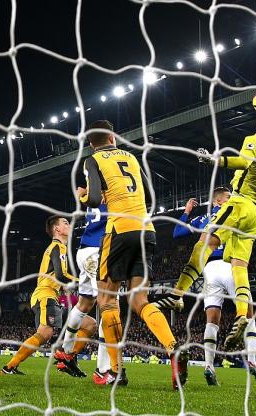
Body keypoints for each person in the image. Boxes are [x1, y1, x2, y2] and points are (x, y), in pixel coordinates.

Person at [156, 77, 256, 351]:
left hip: (239, 203)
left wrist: (215, 159)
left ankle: (178, 294)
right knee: (240, 266)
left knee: (205, 241)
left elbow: (244, 161)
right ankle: (241, 315)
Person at [78, 119, 188, 390]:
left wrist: (84, 195)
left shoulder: (92, 159)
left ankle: (116, 371)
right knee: (140, 299)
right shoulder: (130, 156)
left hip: (118, 231)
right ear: (113, 137)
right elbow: (149, 196)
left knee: (106, 300)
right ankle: (172, 347)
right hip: (146, 229)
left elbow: (92, 201)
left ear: (91, 143)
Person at [167, 188, 256, 385]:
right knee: (248, 314)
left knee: (211, 319)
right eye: (229, 197)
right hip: (230, 266)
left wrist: (187, 211)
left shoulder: (203, 219)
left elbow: (177, 232)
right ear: (219, 202)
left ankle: (209, 366)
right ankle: (253, 361)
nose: (233, 199)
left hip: (209, 271)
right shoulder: (235, 212)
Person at [1, 216, 81, 375]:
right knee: (45, 333)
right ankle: (9, 367)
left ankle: (68, 360)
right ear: (57, 229)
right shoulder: (57, 246)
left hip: (52, 296)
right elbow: (61, 275)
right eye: (65, 222)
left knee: (89, 324)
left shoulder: (58, 248)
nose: (69, 225)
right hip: (45, 294)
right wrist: (83, 281)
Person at [53, 203, 115, 384]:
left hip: (85, 249)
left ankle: (65, 350)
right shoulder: (112, 191)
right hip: (98, 251)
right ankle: (103, 369)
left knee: (85, 304)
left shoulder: (93, 194)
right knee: (109, 303)